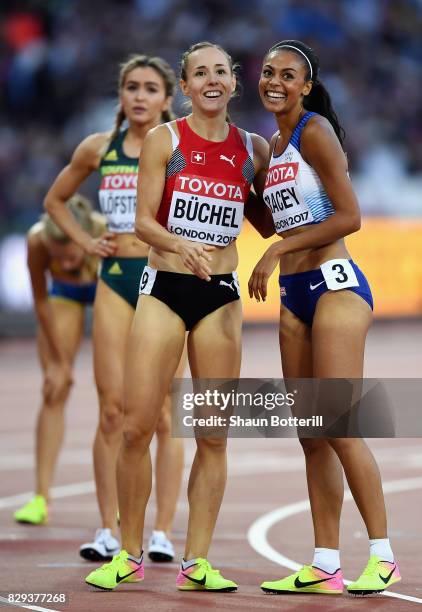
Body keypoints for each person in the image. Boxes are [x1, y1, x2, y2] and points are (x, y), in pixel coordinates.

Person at [84, 41, 270, 592]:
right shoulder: (165, 140)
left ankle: (198, 562)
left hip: (221, 297)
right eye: (199, 73)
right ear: (185, 88)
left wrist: (296, 238)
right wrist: (179, 243)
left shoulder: (253, 148)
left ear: (233, 81)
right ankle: (130, 552)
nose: (211, 80)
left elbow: (266, 215)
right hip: (164, 288)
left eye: (220, 71)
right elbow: (143, 221)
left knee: (213, 435)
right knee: (137, 425)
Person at [249, 40, 401, 597]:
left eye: (288, 75)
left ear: (306, 87)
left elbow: (349, 216)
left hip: (335, 287)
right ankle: (324, 563)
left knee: (339, 426)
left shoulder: (314, 131)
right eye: (267, 73)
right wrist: (237, 184)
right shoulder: (271, 144)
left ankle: (383, 556)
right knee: (312, 435)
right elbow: (271, 225)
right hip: (294, 297)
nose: (275, 81)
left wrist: (271, 253)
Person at [44, 55, 185, 563]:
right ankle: (108, 528)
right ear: (121, 95)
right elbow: (55, 200)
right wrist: (86, 242)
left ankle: (162, 531)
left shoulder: (179, 147)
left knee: (166, 415)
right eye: (131, 87)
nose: (140, 96)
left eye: (151, 88)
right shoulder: (98, 148)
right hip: (114, 279)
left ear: (168, 99)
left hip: (165, 280)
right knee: (110, 412)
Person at [13, 195, 105, 525]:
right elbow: (40, 300)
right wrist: (59, 362)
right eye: (57, 258)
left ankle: (119, 500)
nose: (64, 265)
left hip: (106, 292)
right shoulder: (38, 240)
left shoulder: (105, 234)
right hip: (63, 298)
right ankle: (40, 497)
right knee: (54, 388)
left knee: (116, 397)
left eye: (70, 257)